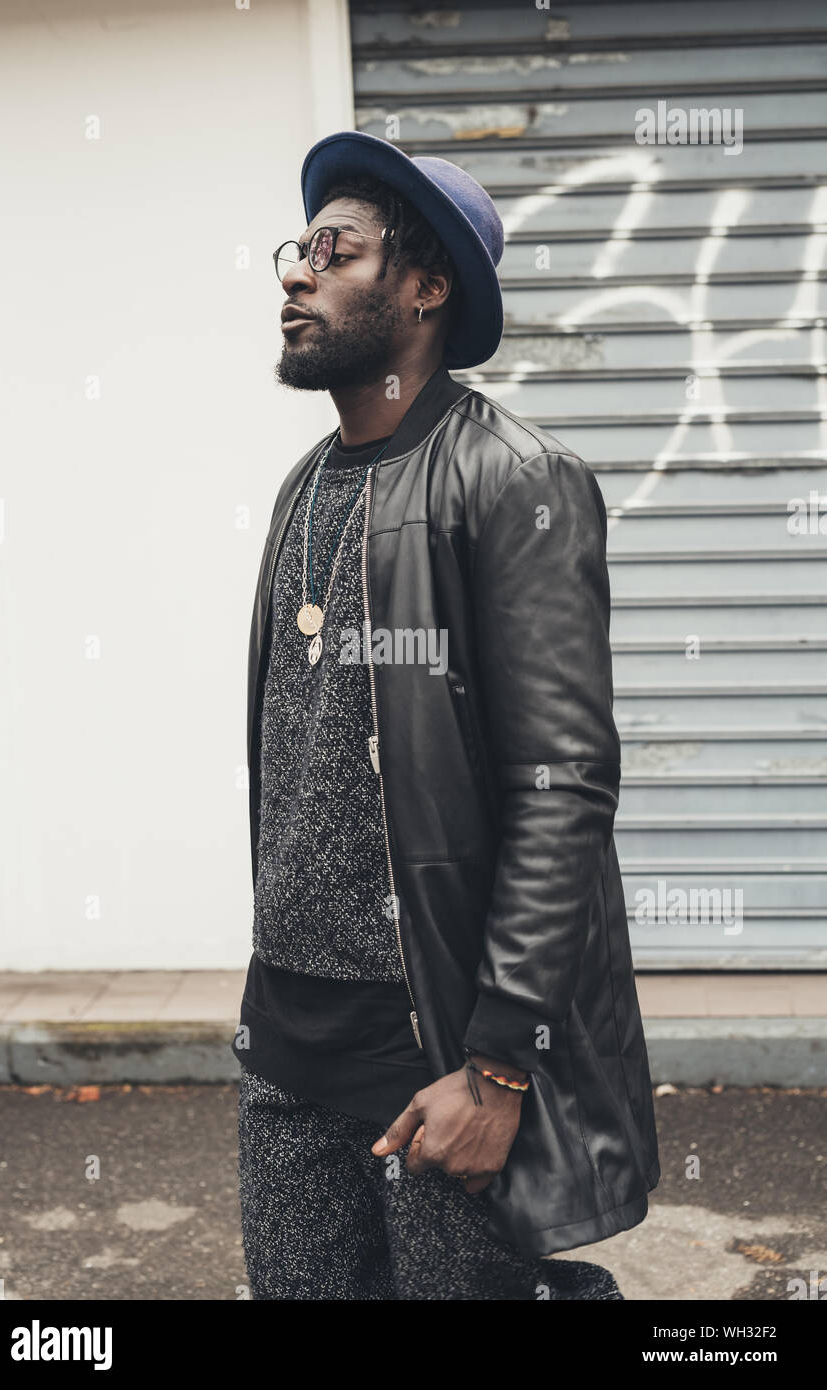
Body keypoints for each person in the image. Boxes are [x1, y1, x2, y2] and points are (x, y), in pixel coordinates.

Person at [232, 129, 660, 1300]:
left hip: (432, 1039)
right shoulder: (305, 483)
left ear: (426, 288)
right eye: (298, 248)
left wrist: (498, 1063)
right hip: (286, 1023)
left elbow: (561, 782)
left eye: (337, 249)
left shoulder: (513, 480)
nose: (296, 271)